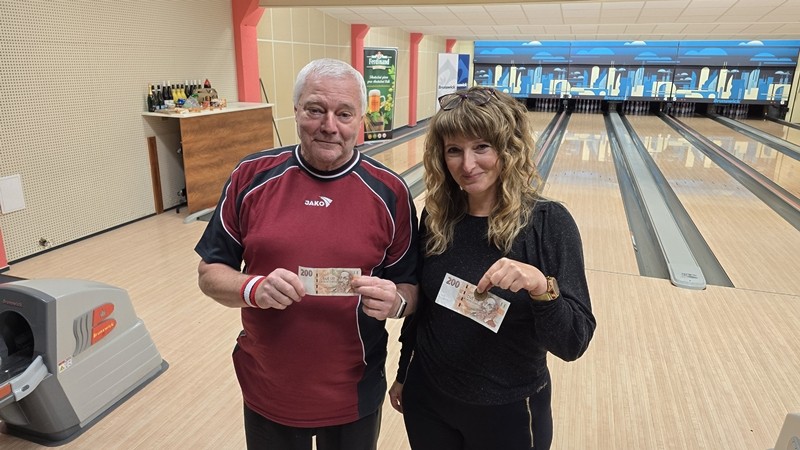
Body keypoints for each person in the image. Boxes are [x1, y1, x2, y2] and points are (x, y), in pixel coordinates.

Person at [195, 58, 418, 450]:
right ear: (296, 111)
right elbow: (210, 272)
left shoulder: (390, 192)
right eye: (315, 110)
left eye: (344, 113)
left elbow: (411, 287)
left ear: (360, 120)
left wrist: (397, 302)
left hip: (354, 394)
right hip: (267, 389)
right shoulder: (251, 177)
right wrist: (252, 289)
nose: (329, 125)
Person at [388, 86, 596, 449]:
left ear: (508, 149)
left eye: (481, 147)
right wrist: (405, 371)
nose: (467, 165)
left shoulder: (547, 223)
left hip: (507, 411)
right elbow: (424, 312)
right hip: (428, 399)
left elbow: (572, 342)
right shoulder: (437, 220)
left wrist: (541, 287)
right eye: (454, 150)